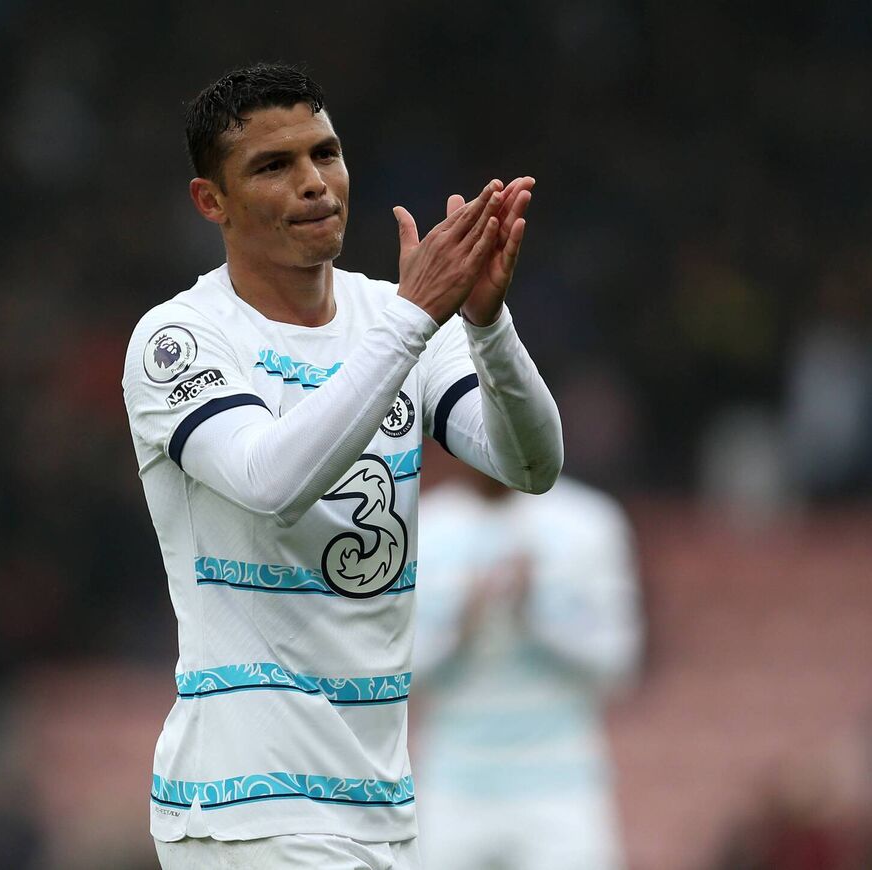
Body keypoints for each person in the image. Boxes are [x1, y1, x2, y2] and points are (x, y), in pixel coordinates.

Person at [121, 63, 563, 869]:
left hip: (376, 804)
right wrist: (414, 319)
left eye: (325, 154)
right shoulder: (178, 340)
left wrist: (489, 325)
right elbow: (271, 482)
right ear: (209, 202)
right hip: (248, 802)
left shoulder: (393, 314)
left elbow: (529, 464)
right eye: (273, 166)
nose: (314, 183)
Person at [411, 463, 643, 870]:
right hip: (452, 789)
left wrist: (536, 618)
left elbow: (620, 664)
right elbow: (397, 675)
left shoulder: (588, 522)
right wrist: (459, 628)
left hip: (561, 788)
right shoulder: (423, 528)